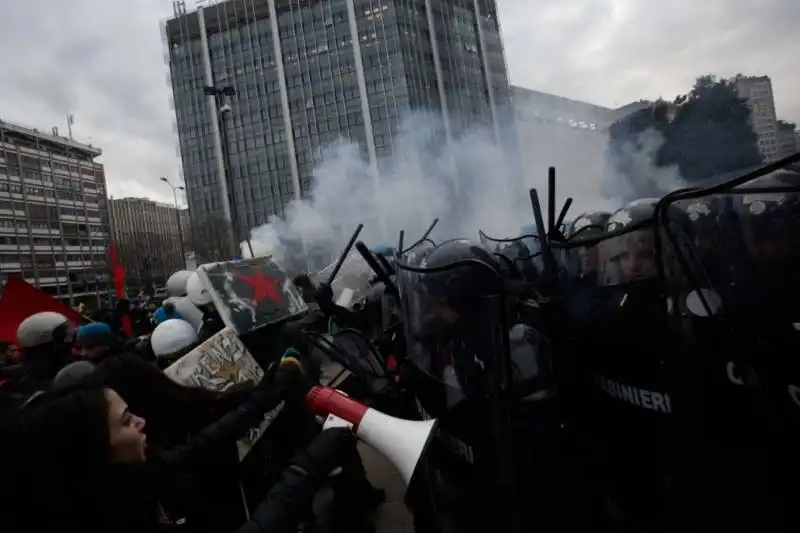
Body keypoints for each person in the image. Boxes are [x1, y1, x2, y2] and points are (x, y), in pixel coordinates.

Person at [0, 351, 357, 533]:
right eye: (126, 421)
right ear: (93, 451)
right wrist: (310, 463)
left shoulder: (123, 482)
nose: (141, 422)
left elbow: (201, 444)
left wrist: (263, 399)